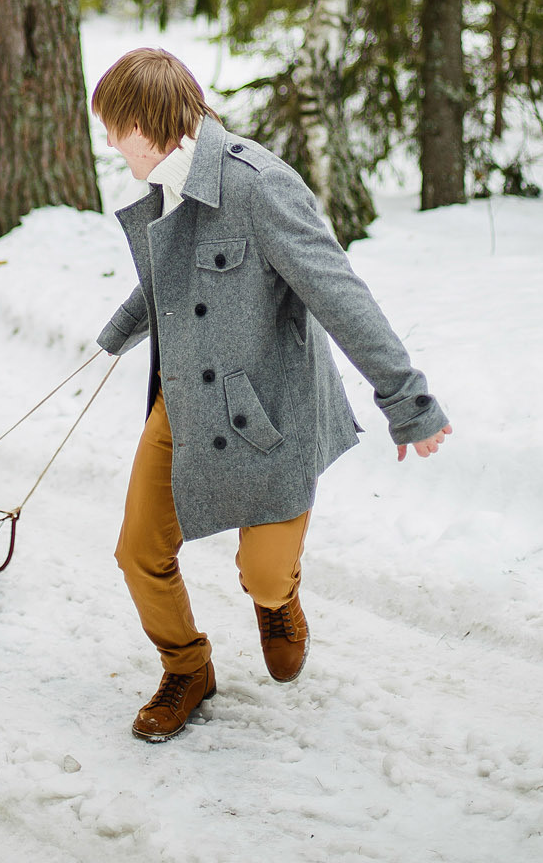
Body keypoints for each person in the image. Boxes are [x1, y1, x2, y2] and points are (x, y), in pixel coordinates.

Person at [92, 48, 452, 743]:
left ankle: (276, 599)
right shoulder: (172, 181)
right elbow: (173, 281)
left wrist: (407, 402)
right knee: (138, 551)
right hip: (185, 406)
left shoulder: (259, 187)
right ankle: (185, 668)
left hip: (268, 415)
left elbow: (340, 295)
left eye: (113, 127)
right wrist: (113, 337)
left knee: (260, 575)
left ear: (145, 122)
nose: (108, 143)